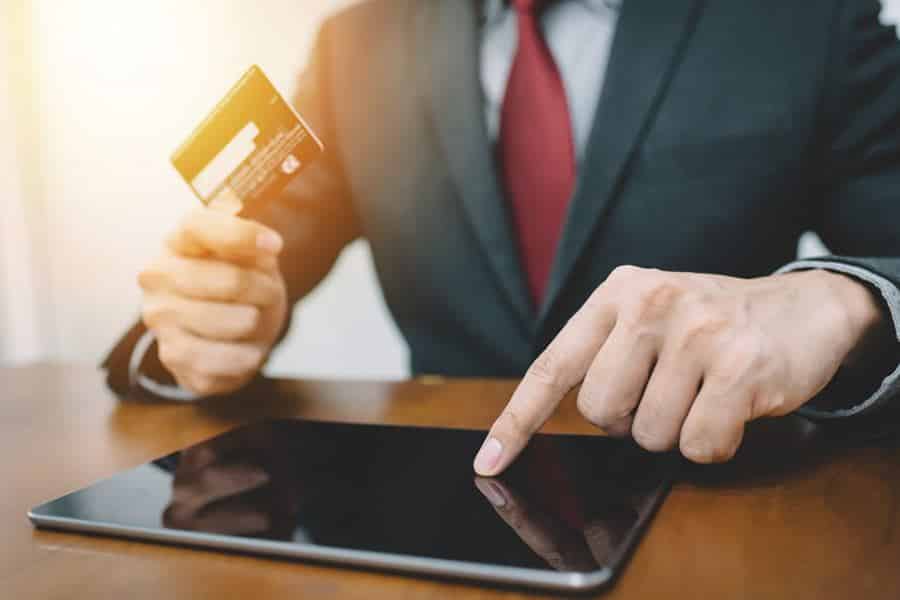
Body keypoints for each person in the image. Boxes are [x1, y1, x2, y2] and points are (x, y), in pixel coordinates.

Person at [105, 0, 900, 476]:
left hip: (713, 507)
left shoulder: (807, 19)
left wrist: (843, 304)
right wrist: (202, 325)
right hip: (434, 521)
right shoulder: (357, 44)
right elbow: (237, 266)